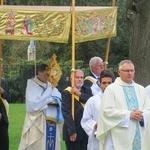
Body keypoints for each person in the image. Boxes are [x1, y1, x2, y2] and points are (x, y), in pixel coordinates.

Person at [96, 60, 150, 150]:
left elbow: (148, 109)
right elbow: (106, 112)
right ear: (119, 72)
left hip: (139, 133)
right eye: (126, 71)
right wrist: (128, 115)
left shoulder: (141, 89)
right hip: (120, 137)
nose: (129, 73)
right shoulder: (111, 89)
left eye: (132, 71)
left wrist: (142, 115)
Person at [18, 64, 63, 150]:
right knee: (39, 145)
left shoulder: (50, 85)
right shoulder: (32, 84)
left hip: (52, 120)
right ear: (39, 73)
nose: (48, 77)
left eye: (49, 74)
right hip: (38, 121)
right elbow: (32, 105)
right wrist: (48, 99)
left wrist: (51, 97)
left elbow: (58, 97)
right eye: (46, 74)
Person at [81, 70, 115, 150]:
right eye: (104, 83)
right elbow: (85, 120)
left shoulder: (118, 100)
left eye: (109, 83)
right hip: (97, 139)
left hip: (113, 137)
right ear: (99, 83)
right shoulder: (92, 101)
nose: (107, 85)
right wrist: (94, 125)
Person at [62, 69, 93, 150]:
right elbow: (66, 113)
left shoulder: (87, 90)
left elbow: (91, 101)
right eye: (77, 77)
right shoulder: (67, 93)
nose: (80, 79)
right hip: (73, 129)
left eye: (82, 77)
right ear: (71, 79)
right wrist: (72, 131)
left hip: (85, 130)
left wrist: (79, 94)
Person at [0, 65, 11, 150]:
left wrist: (3, 92)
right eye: (0, 67)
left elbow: (9, 98)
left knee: (4, 144)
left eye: (2, 67)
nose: (1, 69)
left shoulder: (3, 82)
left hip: (3, 118)